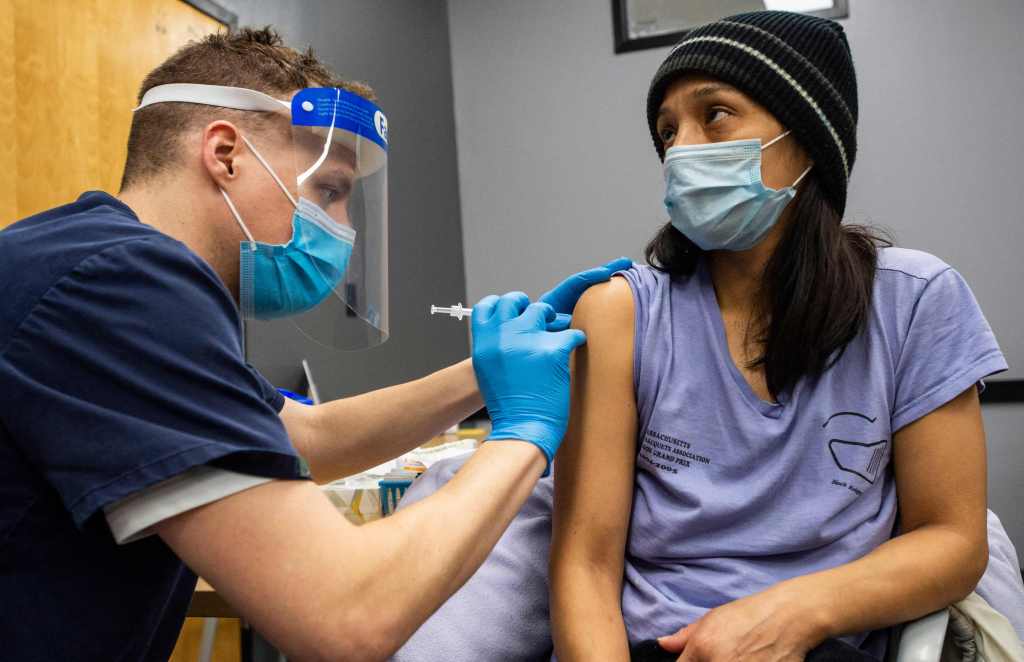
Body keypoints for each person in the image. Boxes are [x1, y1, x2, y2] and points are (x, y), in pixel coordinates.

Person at [0, 28, 627, 661]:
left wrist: (485, 372)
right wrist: (521, 434)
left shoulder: (86, 260)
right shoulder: (122, 286)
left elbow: (310, 437)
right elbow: (347, 615)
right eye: (328, 190)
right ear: (225, 154)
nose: (344, 229)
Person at [550, 11, 1008, 662]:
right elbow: (585, 568)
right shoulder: (619, 313)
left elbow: (953, 540)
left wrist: (790, 613)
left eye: (715, 115)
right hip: (659, 646)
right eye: (667, 130)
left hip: (827, 644)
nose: (681, 149)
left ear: (809, 140)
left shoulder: (914, 302)